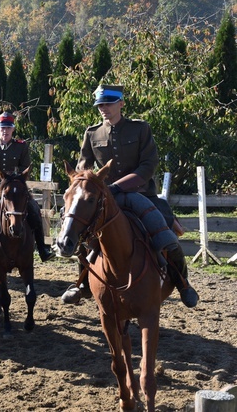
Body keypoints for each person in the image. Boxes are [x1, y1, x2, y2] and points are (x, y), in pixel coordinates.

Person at [61, 85, 199, 308]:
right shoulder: (92, 133)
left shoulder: (140, 129)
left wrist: (117, 186)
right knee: (81, 230)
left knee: (165, 232)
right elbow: (83, 165)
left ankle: (183, 282)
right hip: (104, 197)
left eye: (108, 103)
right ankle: (83, 283)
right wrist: (86, 183)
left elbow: (148, 165)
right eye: (100, 105)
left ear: (121, 103)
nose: (104, 108)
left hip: (140, 193)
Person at [0, 111, 56, 263]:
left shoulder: (21, 146)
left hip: (16, 186)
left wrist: (16, 181)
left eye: (8, 127)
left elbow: (25, 167)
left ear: (13, 129)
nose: (5, 131)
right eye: (2, 127)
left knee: (34, 210)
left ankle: (42, 249)